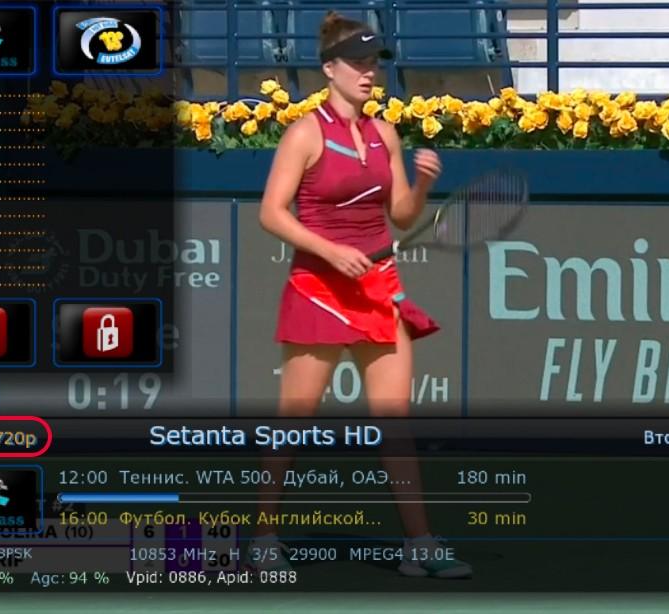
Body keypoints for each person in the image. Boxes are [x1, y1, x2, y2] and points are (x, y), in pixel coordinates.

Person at [253, 10, 472, 579]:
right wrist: (330, 251)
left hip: (378, 288)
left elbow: (401, 216)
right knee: (294, 420)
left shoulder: (385, 134)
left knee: (395, 423)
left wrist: (423, 184)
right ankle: (263, 536)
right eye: (356, 63)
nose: (368, 72)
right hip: (318, 289)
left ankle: (419, 544)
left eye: (373, 62)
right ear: (330, 69)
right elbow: (271, 213)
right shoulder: (304, 134)